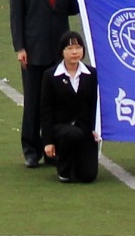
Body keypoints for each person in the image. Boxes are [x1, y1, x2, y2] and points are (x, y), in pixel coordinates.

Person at [8, 0, 81, 168]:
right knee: (33, 101)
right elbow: (16, 15)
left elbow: (71, 8)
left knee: (59, 102)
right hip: (34, 48)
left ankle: (53, 147)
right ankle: (31, 149)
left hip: (59, 50)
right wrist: (20, 47)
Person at [38, 31, 100, 184]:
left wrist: (94, 128)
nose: (74, 52)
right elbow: (46, 110)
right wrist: (48, 141)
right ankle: (63, 168)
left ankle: (76, 163)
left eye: (78, 48)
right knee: (72, 134)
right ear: (62, 51)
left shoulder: (91, 74)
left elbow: (94, 103)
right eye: (70, 48)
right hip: (60, 128)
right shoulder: (50, 75)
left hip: (84, 129)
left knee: (88, 176)